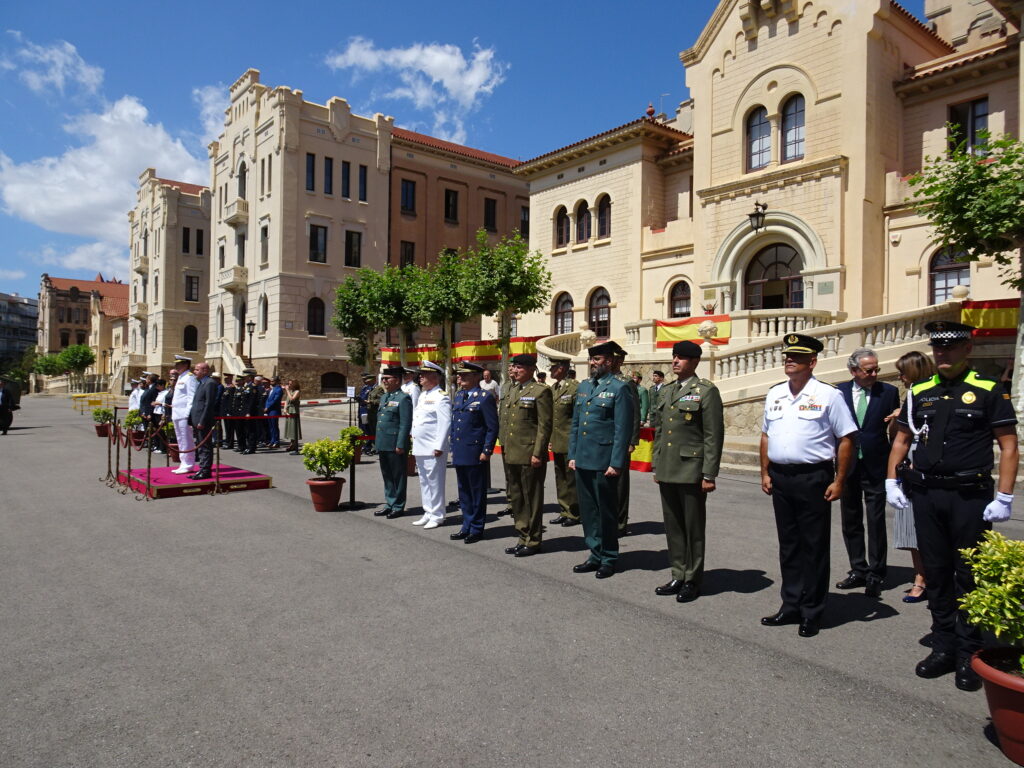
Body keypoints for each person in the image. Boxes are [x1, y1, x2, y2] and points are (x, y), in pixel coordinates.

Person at [886, 321, 1018, 692]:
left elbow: (1008, 444)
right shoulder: (920, 391)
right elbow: (901, 440)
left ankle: (969, 650)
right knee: (937, 571)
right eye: (938, 348)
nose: (943, 353)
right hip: (927, 496)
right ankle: (943, 642)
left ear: (967, 350)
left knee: (968, 574)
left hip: (968, 497)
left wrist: (1004, 497)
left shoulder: (989, 389)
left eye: (951, 347)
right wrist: (891, 482)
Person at [759, 333, 857, 638]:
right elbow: (765, 436)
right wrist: (764, 472)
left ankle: (812, 610)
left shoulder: (828, 395)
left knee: (813, 546)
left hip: (813, 477)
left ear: (812, 362)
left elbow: (847, 439)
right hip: (781, 477)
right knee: (789, 545)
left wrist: (839, 480)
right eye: (788, 356)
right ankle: (791, 604)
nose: (790, 360)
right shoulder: (775, 394)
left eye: (797, 357)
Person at [651, 341, 725, 603]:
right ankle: (678, 573)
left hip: (692, 469)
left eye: (681, 358)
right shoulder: (667, 390)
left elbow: (713, 436)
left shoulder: (705, 391)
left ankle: (692, 579)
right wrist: (657, 463)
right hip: (669, 467)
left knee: (692, 527)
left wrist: (709, 474)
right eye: (674, 357)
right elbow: (660, 430)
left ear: (695, 362)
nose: (675, 362)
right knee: (673, 526)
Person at [835, 348, 901, 598]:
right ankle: (857, 569)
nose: (874, 373)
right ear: (853, 371)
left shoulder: (889, 392)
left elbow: (894, 432)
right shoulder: (838, 392)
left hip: (876, 463)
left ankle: (876, 573)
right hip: (847, 464)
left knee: (875, 520)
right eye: (868, 370)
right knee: (850, 519)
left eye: (876, 369)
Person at [568, 341, 634, 578]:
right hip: (583, 458)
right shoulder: (585, 387)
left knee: (606, 511)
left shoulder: (619, 388)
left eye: (597, 360)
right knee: (588, 512)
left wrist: (616, 463)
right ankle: (594, 554)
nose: (592, 364)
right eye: (591, 359)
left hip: (604, 461)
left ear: (608, 361)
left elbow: (622, 429)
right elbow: (576, 424)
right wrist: (572, 454)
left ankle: (609, 556)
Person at [891, 351, 936, 604]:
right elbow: (899, 436)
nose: (900, 376)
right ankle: (920, 577)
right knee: (910, 531)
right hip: (907, 470)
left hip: (929, 467)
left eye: (903, 371)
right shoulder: (910, 396)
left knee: (930, 531)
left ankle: (932, 578)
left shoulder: (931, 394)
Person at [498, 354, 553, 556]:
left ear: (531, 369)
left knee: (532, 498)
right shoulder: (513, 390)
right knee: (517, 497)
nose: (516, 370)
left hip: (530, 453)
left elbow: (544, 426)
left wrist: (538, 453)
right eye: (515, 367)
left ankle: (533, 540)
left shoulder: (540, 391)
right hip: (512, 452)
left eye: (520, 367)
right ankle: (523, 535)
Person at [449, 362, 499, 543]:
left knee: (477, 493)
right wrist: (453, 446)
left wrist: (487, 450)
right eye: (460, 375)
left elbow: (492, 427)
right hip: (461, 451)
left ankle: (477, 528)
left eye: (465, 375)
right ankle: (466, 525)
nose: (460, 378)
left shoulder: (485, 397)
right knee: (464, 493)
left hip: (476, 452)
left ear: (477, 377)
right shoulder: (459, 395)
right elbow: (455, 424)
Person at [411, 361, 451, 529]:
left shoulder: (441, 397)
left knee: (435, 483)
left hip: (433, 448)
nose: (420, 376)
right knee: (424, 482)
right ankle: (428, 512)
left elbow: (445, 423)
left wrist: (440, 446)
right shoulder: (423, 395)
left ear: (434, 377)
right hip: (420, 446)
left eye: (424, 374)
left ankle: (438, 515)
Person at [374, 367, 413, 519]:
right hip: (383, 441)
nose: (384, 381)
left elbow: (405, 424)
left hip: (395, 443)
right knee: (387, 475)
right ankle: (389, 503)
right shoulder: (385, 397)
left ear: (397, 380)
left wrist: (401, 444)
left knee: (398, 476)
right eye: (383, 378)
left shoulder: (403, 398)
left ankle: (398, 505)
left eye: (387, 378)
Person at [610, 349, 641, 535]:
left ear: (620, 360)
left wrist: (631, 441)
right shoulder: (599, 381)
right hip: (602, 440)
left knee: (619, 485)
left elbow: (635, 413)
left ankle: (620, 523)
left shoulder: (626, 383)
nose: (608, 361)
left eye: (612, 358)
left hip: (620, 440)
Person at [548, 357, 580, 527]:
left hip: (570, 440)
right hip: (557, 440)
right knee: (560, 477)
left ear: (561, 368)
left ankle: (574, 512)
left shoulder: (574, 388)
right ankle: (564, 509)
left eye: (553, 368)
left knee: (571, 479)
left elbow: (578, 417)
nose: (551, 371)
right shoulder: (553, 388)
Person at [188, 362, 219, 480]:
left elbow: (208, 404)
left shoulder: (210, 383)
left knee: (205, 446)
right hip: (197, 419)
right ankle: (201, 468)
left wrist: (202, 420)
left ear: (205, 371)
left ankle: (205, 470)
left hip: (203, 420)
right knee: (200, 445)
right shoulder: (201, 383)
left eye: (197, 369)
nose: (194, 372)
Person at [170, 355, 199, 474]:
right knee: (180, 440)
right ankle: (183, 463)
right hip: (177, 413)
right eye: (176, 364)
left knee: (187, 440)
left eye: (179, 364)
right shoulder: (181, 377)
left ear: (186, 365)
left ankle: (189, 464)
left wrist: (188, 414)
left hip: (183, 414)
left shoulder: (189, 378)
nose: (176, 366)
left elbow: (191, 397)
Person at [283, 379, 303, 454]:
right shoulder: (290, 391)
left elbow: (292, 399)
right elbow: (287, 400)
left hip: (294, 412)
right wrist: (285, 409)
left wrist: (287, 390)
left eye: (291, 384)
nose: (289, 385)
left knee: (294, 429)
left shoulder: (297, 392)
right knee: (290, 429)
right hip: (289, 411)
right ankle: (292, 444)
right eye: (289, 383)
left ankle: (295, 445)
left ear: (295, 384)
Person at [264, 377, 283, 449]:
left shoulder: (279, 389)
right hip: (269, 411)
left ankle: (276, 442)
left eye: (272, 381)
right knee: (271, 427)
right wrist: (266, 406)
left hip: (274, 410)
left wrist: (267, 407)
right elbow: (268, 399)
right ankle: (272, 441)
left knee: (274, 427)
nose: (271, 382)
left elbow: (275, 400)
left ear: (277, 381)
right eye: (271, 381)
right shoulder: (272, 389)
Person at [219, 373, 237, 449]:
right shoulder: (227, 387)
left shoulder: (232, 388)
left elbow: (231, 401)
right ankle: (227, 441)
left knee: (230, 428)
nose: (225, 380)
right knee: (227, 427)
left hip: (229, 412)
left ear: (230, 379)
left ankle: (230, 443)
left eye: (226, 378)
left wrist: (229, 411)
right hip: (225, 411)